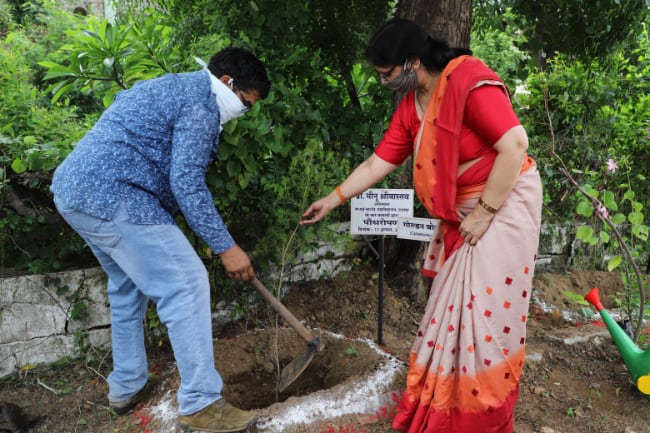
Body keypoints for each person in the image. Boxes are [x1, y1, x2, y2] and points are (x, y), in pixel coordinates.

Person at [300, 18, 542, 433]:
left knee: (482, 316)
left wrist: (484, 213)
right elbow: (380, 161)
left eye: (386, 73)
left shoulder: (468, 80)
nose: (382, 82)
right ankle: (447, 403)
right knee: (454, 314)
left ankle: (481, 415)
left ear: (412, 62)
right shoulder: (412, 105)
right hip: (462, 213)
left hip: (501, 205)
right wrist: (332, 198)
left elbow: (514, 145)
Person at [50, 47, 271, 433]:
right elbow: (185, 182)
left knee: (126, 288)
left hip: (75, 193)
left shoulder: (174, 86)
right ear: (226, 83)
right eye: (245, 103)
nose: (245, 112)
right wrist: (227, 247)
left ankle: (126, 386)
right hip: (116, 195)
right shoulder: (202, 106)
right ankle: (201, 406)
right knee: (185, 283)